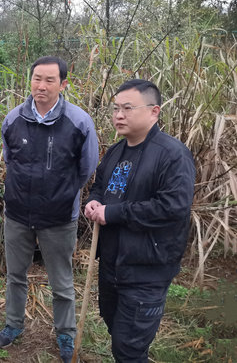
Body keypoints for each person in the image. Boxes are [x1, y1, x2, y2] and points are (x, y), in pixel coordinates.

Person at [0, 56, 99, 362]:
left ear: (63, 84)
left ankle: (66, 333)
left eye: (49, 80)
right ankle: (14, 324)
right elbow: (10, 160)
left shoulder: (79, 122)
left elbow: (87, 168)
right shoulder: (13, 119)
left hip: (59, 217)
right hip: (17, 214)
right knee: (15, 275)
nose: (41, 86)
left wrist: (61, 193)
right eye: (36, 79)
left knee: (61, 281)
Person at [84, 79, 195, 362]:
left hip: (146, 268)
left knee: (129, 348)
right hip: (112, 264)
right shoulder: (116, 151)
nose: (119, 115)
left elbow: (172, 208)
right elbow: (101, 186)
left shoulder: (172, 155)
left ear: (154, 111)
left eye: (128, 108)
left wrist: (113, 213)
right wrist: (94, 201)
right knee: (116, 330)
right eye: (116, 108)